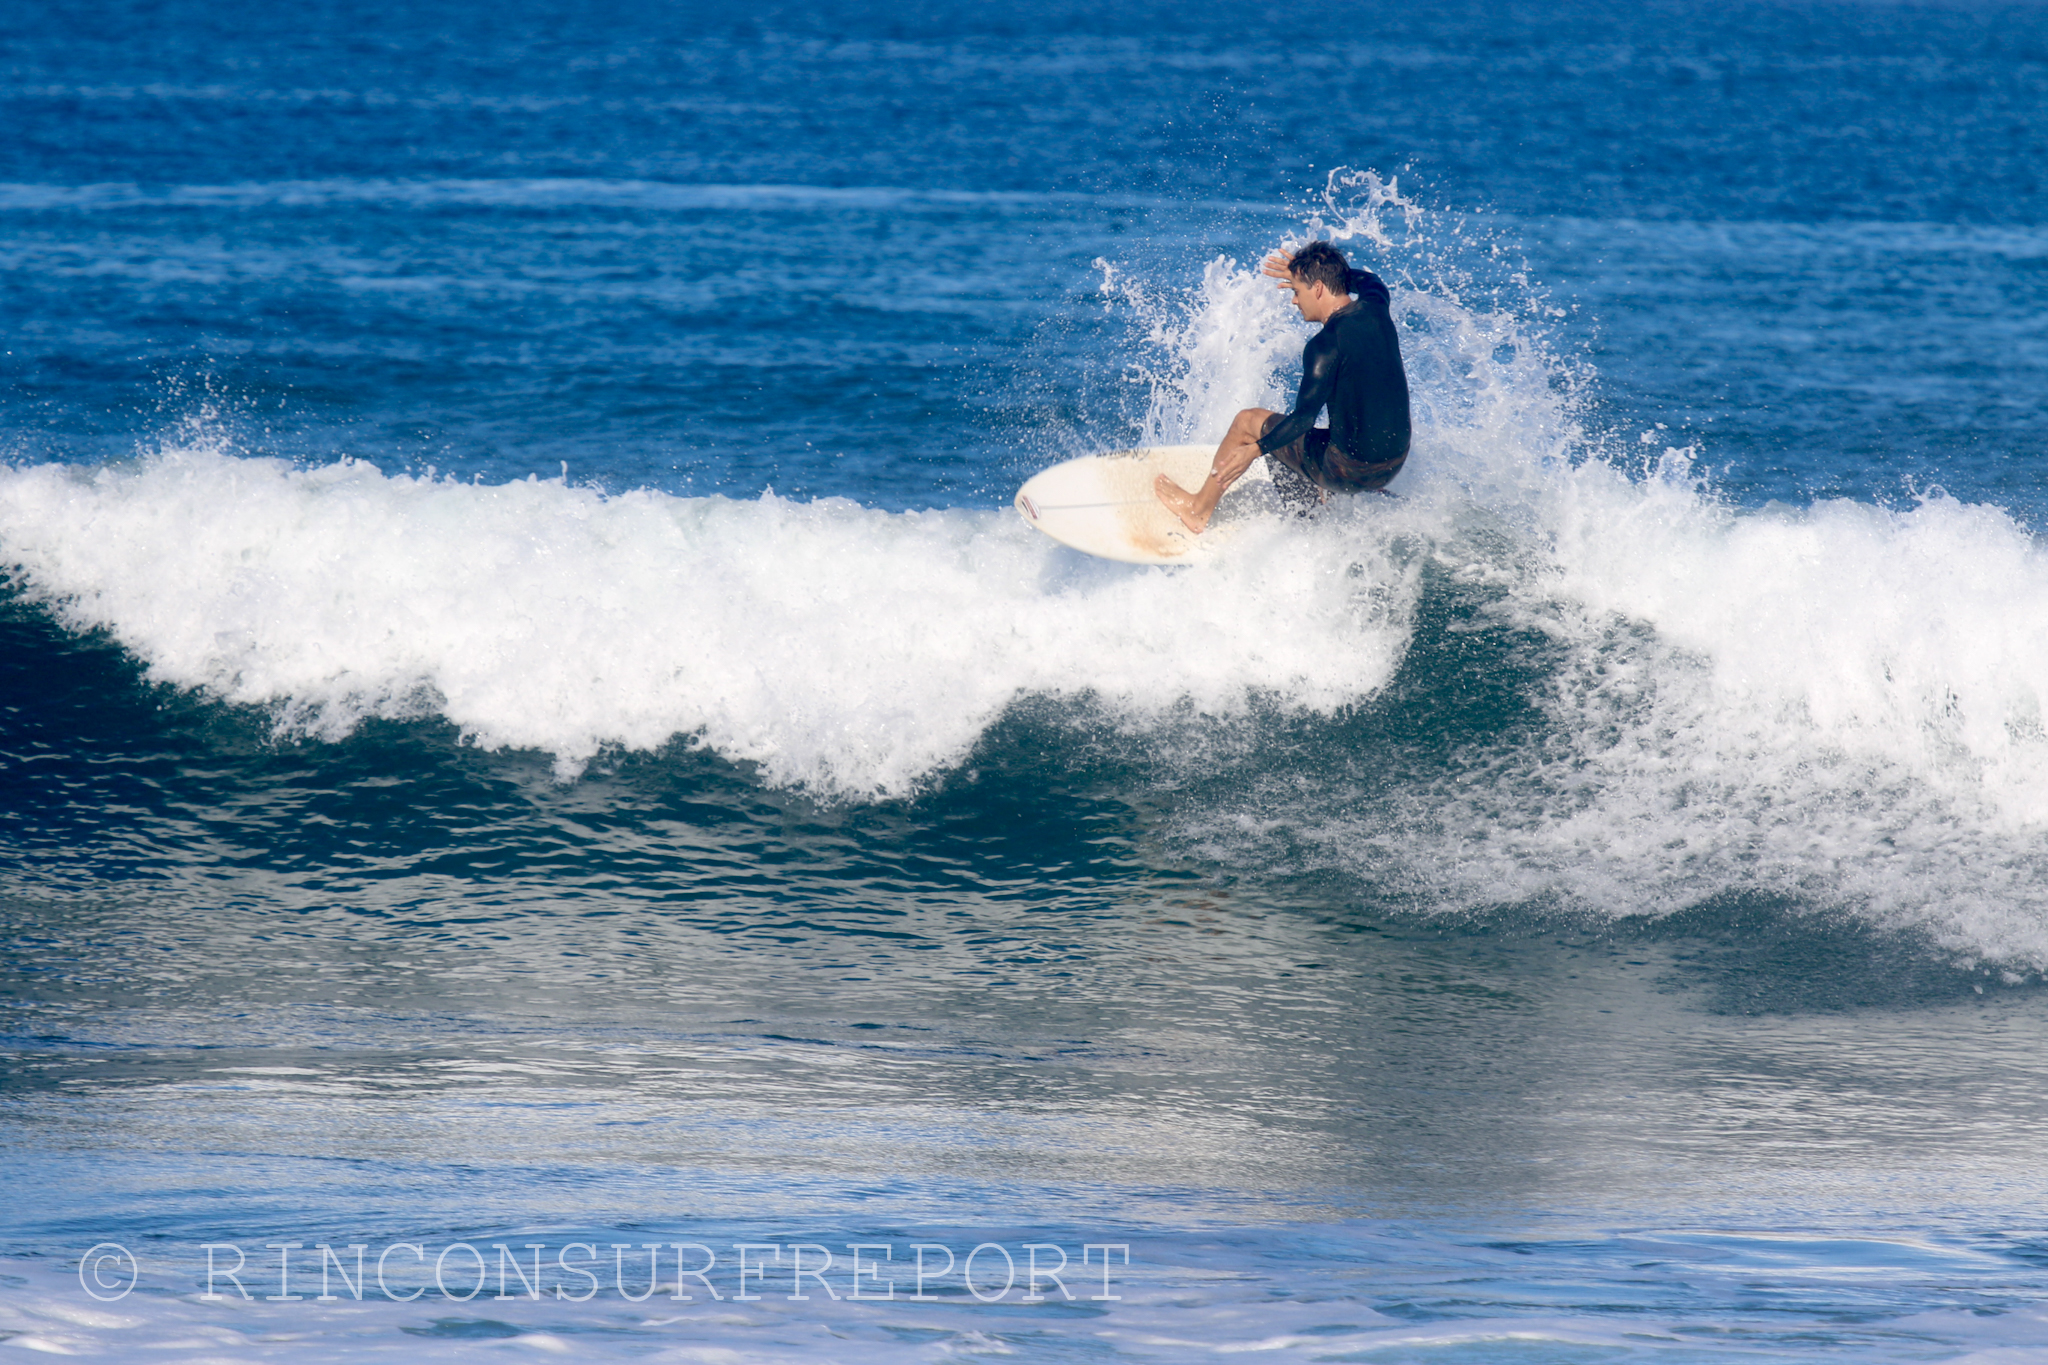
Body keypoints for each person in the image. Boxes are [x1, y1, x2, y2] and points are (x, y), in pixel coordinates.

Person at [1154, 240, 1411, 533]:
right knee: (1289, 438)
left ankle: (1198, 511)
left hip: (1349, 472)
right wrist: (1327, 273)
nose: (1294, 300)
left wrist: (1255, 449)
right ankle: (1317, 510)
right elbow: (1371, 279)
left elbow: (1303, 419)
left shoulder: (1324, 346)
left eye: (1296, 290)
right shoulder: (1376, 307)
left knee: (1250, 422)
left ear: (1317, 289)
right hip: (1393, 464)